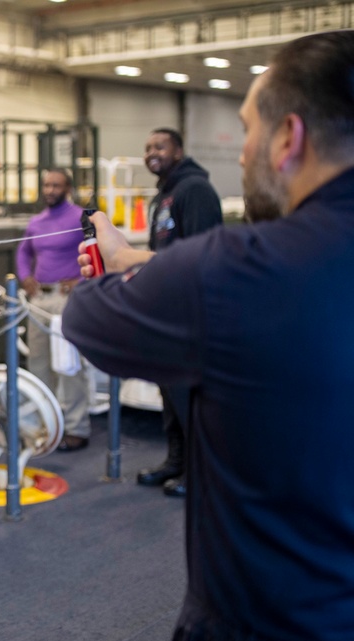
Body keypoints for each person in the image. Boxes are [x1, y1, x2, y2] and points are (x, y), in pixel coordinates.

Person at [64, 30, 354, 641]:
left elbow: (87, 320)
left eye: (250, 128)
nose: (244, 149)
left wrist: (116, 264)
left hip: (267, 638)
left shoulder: (237, 270)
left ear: (289, 139)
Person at [137, 127, 223, 497]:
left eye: (160, 146)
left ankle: (200, 472)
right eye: (148, 147)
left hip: (190, 312)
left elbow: (204, 254)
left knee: (189, 394)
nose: (152, 152)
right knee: (170, 392)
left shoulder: (195, 190)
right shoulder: (165, 194)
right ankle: (176, 460)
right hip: (166, 308)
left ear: (179, 150)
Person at [15, 168, 92, 452]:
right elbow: (23, 251)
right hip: (39, 299)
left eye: (56, 185)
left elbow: (98, 252)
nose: (49, 190)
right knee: (38, 364)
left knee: (69, 364)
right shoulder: (37, 221)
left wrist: (81, 279)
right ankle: (42, 425)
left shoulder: (80, 218)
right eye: (46, 185)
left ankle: (76, 427)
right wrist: (26, 277)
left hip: (66, 298)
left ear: (68, 188)